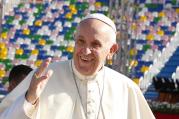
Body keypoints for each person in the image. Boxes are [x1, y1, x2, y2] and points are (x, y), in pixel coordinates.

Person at [0, 13, 155, 119]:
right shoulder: (44, 77)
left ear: (112, 50)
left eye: (95, 44)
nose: (85, 51)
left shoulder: (126, 89)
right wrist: (29, 100)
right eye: (81, 41)